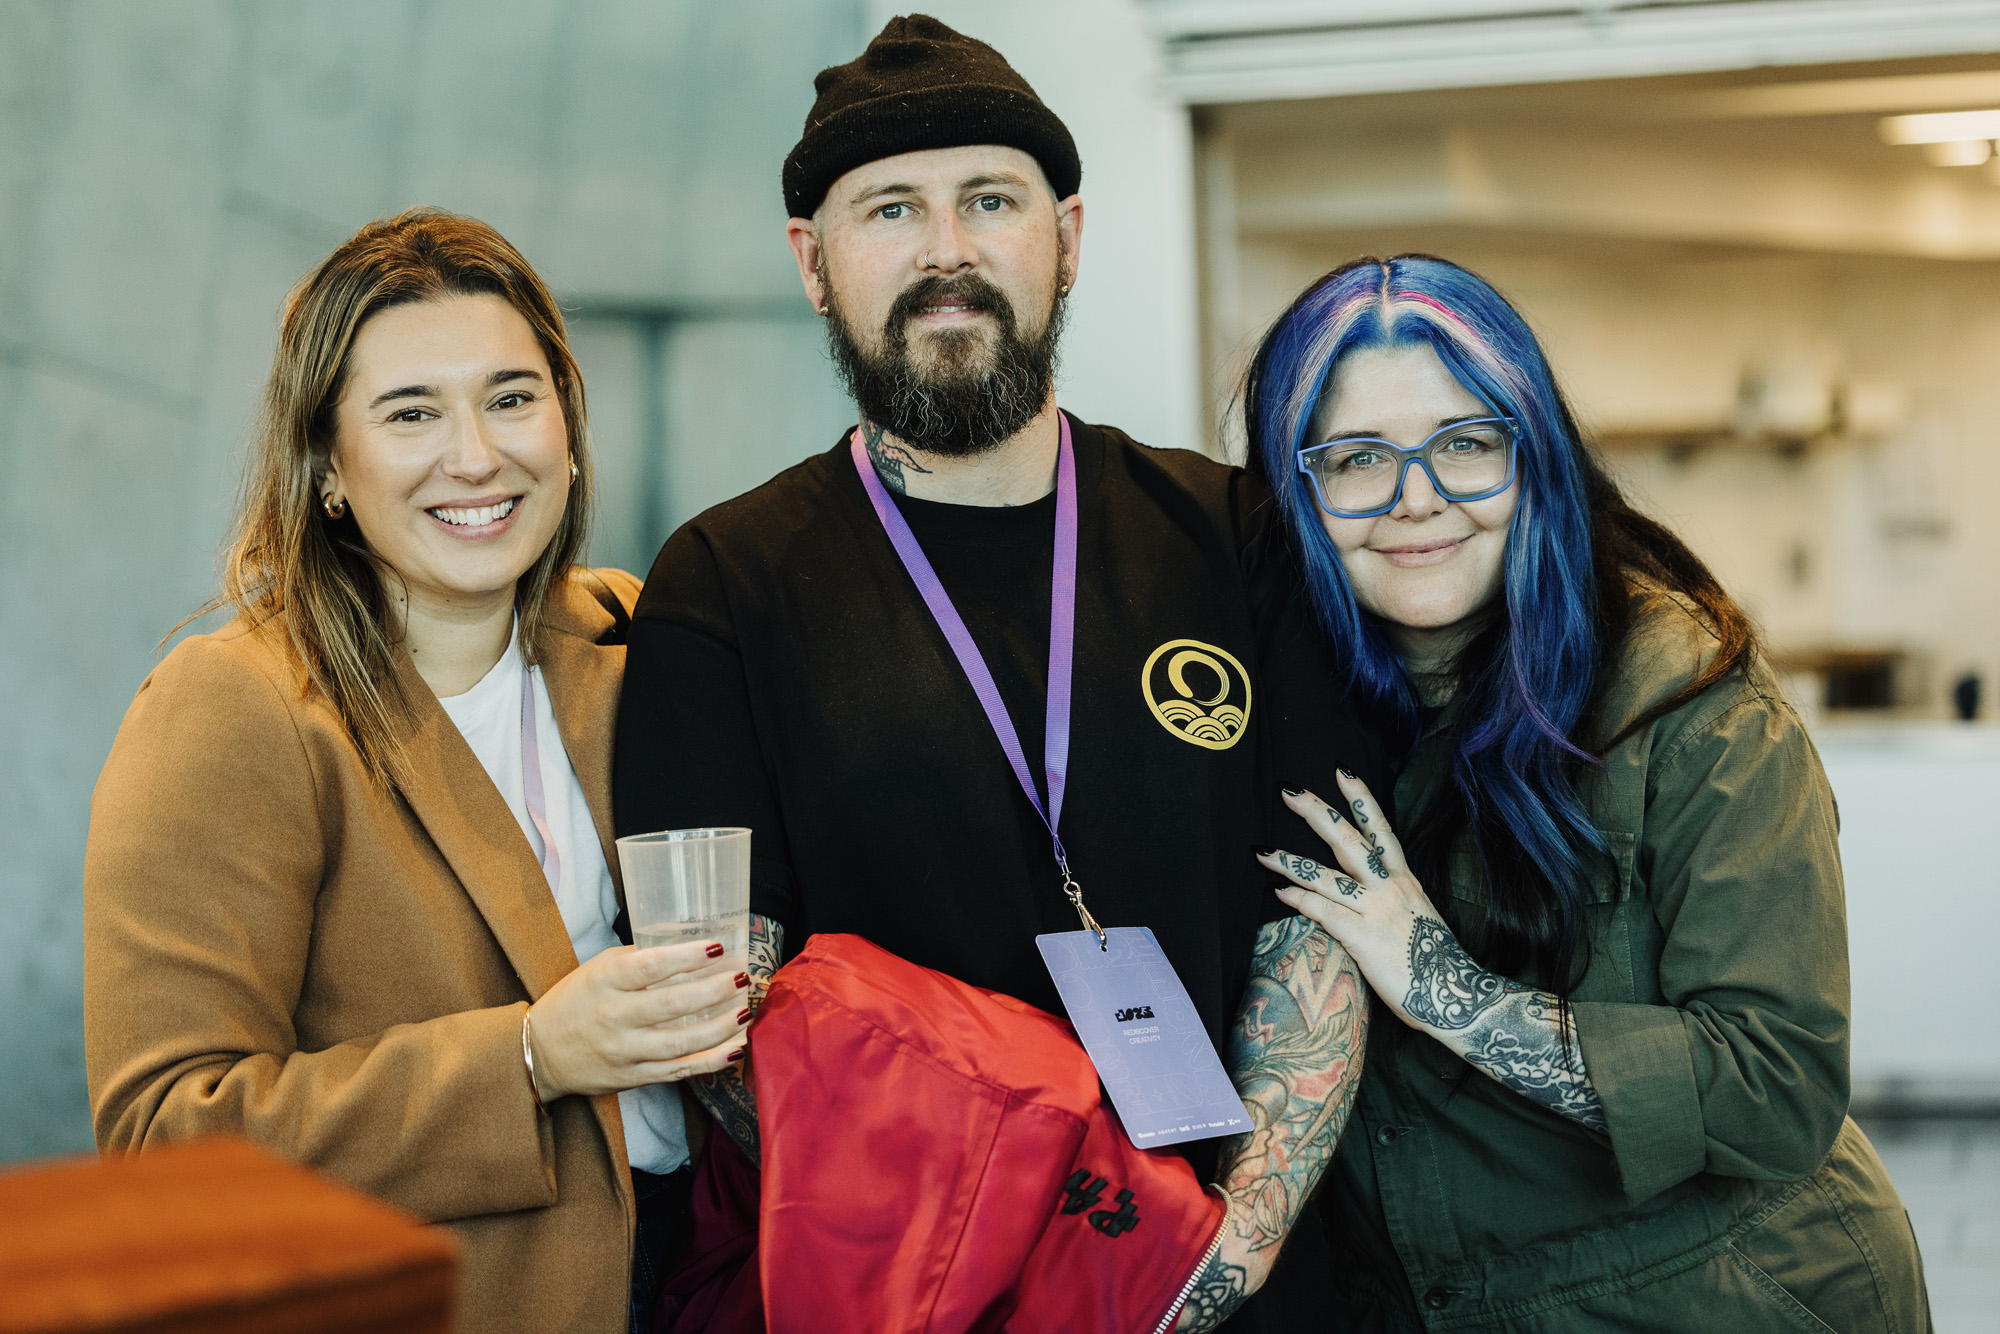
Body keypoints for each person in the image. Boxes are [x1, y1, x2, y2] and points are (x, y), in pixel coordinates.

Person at [615, 16, 1383, 1331]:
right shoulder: (724, 586)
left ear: (1067, 237)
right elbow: (720, 1007)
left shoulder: (1241, 538)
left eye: (990, 200)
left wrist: (1195, 1271)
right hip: (923, 1296)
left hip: (1242, 1293)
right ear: (814, 261)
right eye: (891, 209)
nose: (946, 251)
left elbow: (1321, 927)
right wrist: (1025, 1257)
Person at [84, 209, 745, 1334]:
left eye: (509, 397)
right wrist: (533, 1055)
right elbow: (164, 1137)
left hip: (702, 1276)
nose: (477, 455)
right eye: (409, 413)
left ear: (568, 430)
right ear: (328, 466)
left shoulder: (638, 637)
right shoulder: (236, 708)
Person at [1247, 254, 1931, 1331]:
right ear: (1294, 487)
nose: (1414, 498)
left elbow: (1776, 1088)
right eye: (1357, 459)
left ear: (1535, 459)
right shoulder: (1283, 693)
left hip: (1722, 1295)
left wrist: (1445, 990)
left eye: (1465, 445)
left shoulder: (1689, 701)